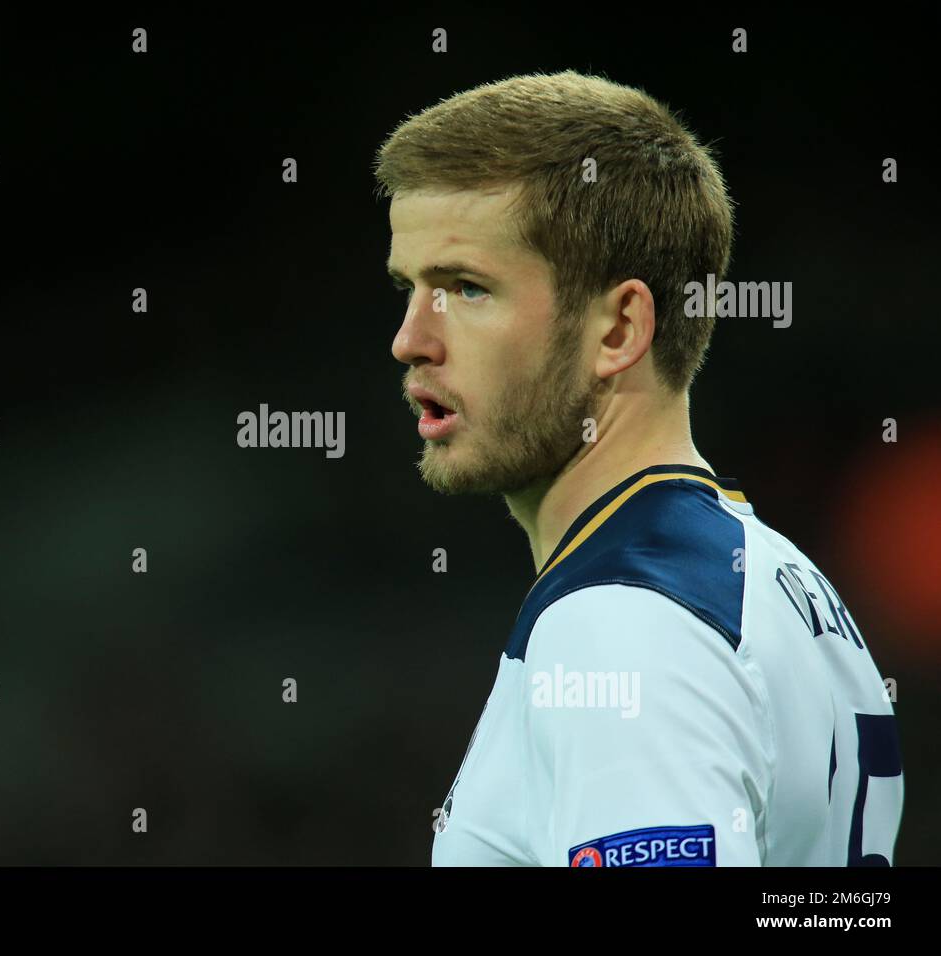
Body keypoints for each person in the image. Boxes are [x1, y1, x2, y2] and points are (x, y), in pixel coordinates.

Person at [376, 70, 903, 866]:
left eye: (466, 288)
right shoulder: (779, 581)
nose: (411, 338)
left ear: (619, 328)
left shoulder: (621, 624)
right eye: (408, 289)